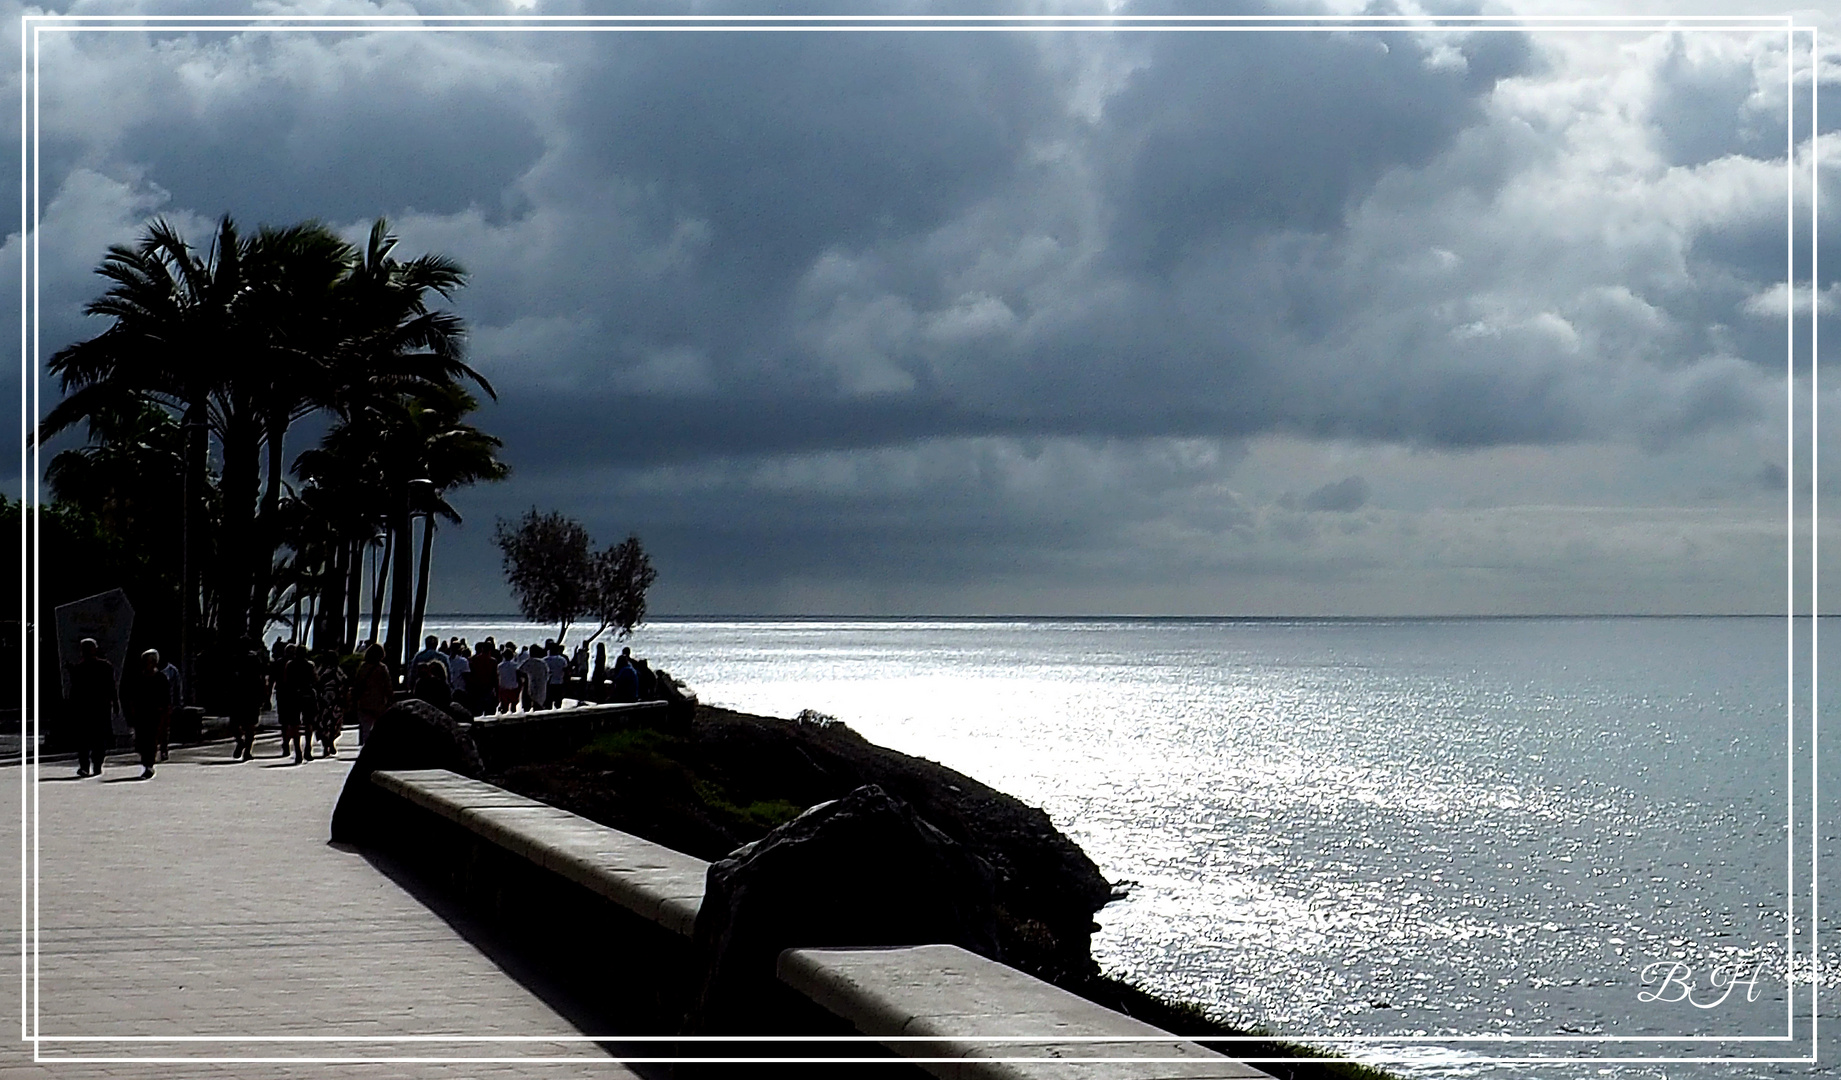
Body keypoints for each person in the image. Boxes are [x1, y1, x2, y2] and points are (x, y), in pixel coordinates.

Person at [68, 638, 117, 778]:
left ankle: (91, 765)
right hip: (92, 707)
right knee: (90, 738)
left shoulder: (100, 666)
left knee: (92, 738)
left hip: (93, 707)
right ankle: (90, 765)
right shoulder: (83, 667)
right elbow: (75, 689)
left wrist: (115, 702)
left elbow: (111, 685)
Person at [122, 649, 171, 779]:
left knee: (151, 740)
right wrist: (132, 712)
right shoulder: (139, 678)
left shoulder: (161, 678)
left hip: (155, 714)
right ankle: (146, 762)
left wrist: (165, 714)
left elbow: (166, 698)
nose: (147, 664)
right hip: (141, 713)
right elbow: (132, 696)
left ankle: (149, 765)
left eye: (149, 662)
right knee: (141, 741)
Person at [229, 638, 268, 762]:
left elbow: (261, 677)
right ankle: (243, 745)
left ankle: (246, 749)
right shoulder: (236, 659)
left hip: (247, 695)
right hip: (244, 695)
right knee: (243, 725)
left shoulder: (252, 659)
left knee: (245, 725)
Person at [278, 644, 318, 764]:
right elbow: (315, 680)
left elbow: (286, 680)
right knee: (308, 723)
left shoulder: (290, 664)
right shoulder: (310, 665)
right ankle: (308, 749)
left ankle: (298, 752)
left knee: (294, 724)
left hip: (293, 696)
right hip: (308, 695)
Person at [351, 644, 393, 746]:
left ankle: (366, 746)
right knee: (379, 727)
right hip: (379, 703)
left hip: (364, 702)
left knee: (366, 727)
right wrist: (390, 700)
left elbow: (357, 683)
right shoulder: (382, 668)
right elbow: (388, 686)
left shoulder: (362, 667)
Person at [310, 652, 347, 759]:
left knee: (323, 724)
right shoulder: (338, 671)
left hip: (323, 701)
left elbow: (316, 683)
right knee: (334, 724)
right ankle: (330, 741)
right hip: (336, 701)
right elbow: (344, 685)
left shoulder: (321, 670)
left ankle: (326, 744)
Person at [157, 651, 182, 762]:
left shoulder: (172, 671)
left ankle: (164, 749)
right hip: (152, 704)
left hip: (166, 704)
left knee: (164, 729)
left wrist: (178, 703)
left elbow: (177, 687)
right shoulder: (151, 671)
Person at [521, 645, 549, 712]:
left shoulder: (527, 662)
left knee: (526, 707)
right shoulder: (543, 663)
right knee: (539, 706)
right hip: (541, 685)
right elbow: (547, 675)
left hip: (529, 687)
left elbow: (520, 672)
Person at [496, 644, 522, 714]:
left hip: (503, 687)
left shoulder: (499, 666)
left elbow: (498, 677)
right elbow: (519, 677)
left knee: (504, 707)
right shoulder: (515, 665)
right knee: (514, 706)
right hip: (514, 687)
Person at [544, 642, 568, 709]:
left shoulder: (545, 660)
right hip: (559, 682)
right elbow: (566, 672)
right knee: (558, 702)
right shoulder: (562, 660)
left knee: (548, 702)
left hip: (548, 683)